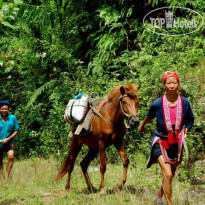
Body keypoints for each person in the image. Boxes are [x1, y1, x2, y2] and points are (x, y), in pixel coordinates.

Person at [138, 71, 194, 205]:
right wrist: (142, 126)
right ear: (164, 85)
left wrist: (186, 129)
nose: (172, 85)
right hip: (160, 141)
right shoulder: (157, 104)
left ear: (179, 85)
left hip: (176, 142)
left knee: (170, 175)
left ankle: (158, 196)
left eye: (174, 82)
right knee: (168, 174)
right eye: (168, 83)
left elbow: (190, 120)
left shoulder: (185, 103)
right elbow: (149, 116)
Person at [0, 100, 20, 179]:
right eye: (2, 108)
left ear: (8, 109)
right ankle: (1, 176)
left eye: (5, 109)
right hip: (0, 143)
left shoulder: (13, 118)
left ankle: (7, 176)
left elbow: (17, 130)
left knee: (11, 157)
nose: (4, 110)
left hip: (10, 142)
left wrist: (8, 138)